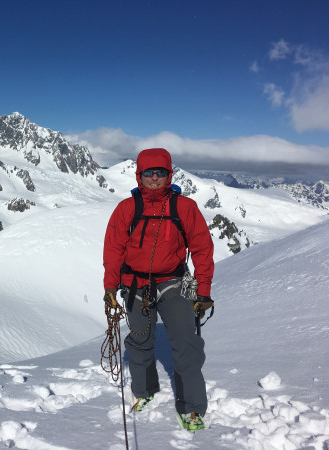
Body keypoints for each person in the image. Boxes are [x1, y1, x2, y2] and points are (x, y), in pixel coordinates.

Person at [102, 147, 214, 431]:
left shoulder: (184, 207)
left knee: (186, 345)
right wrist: (110, 287)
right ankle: (144, 391)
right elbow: (113, 249)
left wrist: (204, 291)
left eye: (160, 173)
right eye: (148, 173)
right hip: (135, 285)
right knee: (139, 342)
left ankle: (192, 408)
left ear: (169, 174)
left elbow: (202, 249)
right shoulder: (127, 208)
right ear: (139, 175)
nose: (154, 178)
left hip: (173, 283)